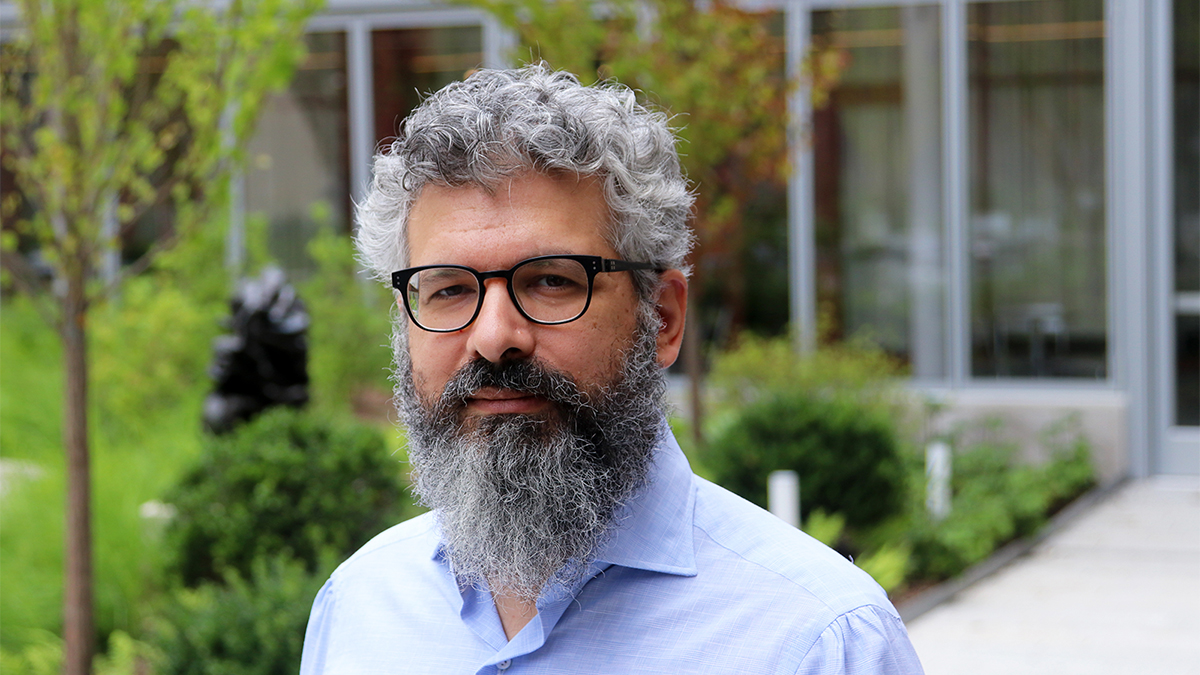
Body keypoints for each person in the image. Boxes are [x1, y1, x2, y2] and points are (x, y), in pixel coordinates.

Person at [299, 64, 924, 675]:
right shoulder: (357, 609)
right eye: (449, 290)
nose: (493, 338)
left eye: (551, 281)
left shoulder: (819, 642)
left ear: (663, 317)